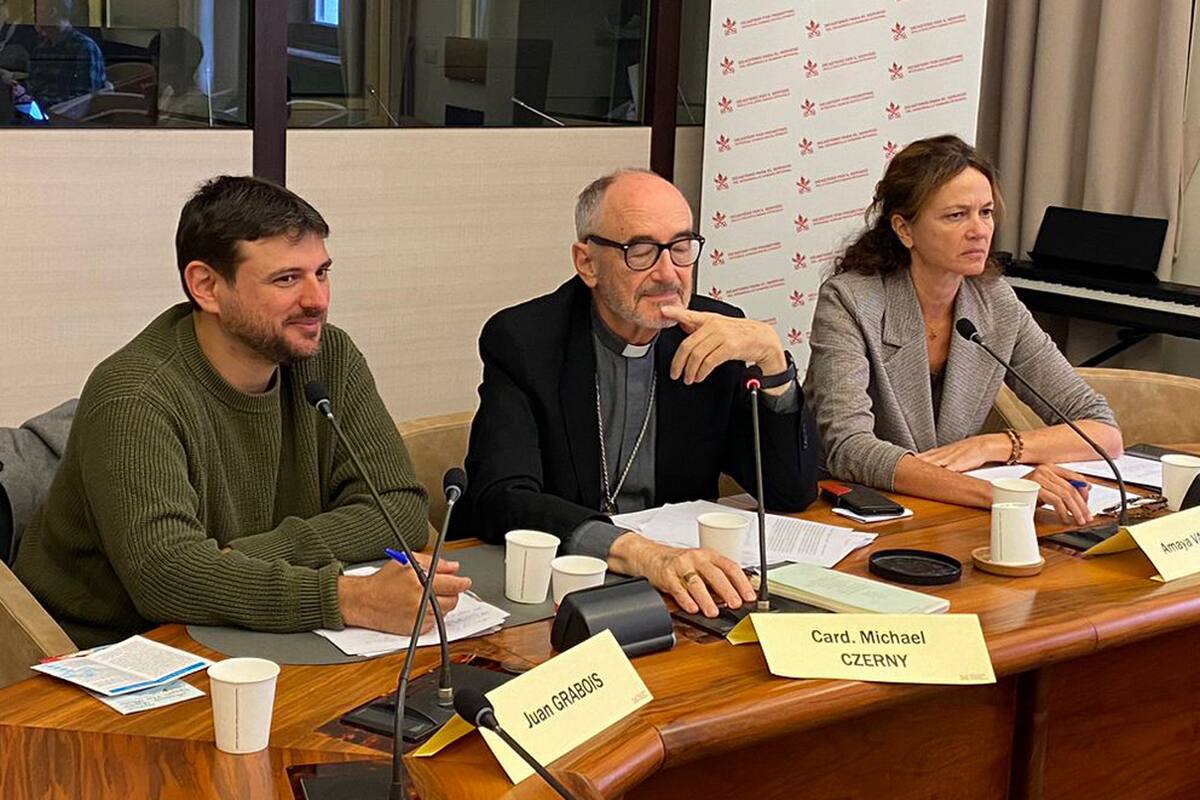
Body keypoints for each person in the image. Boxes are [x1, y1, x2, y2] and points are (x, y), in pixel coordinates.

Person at [14, 176, 470, 648]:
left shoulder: (327, 357)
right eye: (287, 279)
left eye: (322, 272)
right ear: (207, 286)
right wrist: (347, 597)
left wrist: (244, 558)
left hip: (257, 632)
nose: (317, 300)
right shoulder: (134, 395)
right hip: (116, 652)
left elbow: (398, 508)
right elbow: (165, 575)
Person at [452, 168, 819, 618]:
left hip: (685, 594)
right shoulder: (525, 340)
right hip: (557, 593)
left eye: (681, 248)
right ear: (587, 262)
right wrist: (639, 553)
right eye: (641, 251)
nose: (668, 274)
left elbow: (790, 491)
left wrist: (773, 364)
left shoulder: (712, 334)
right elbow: (502, 497)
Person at [805, 135, 1122, 524]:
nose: (979, 231)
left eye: (985, 212)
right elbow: (849, 448)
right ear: (904, 230)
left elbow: (1102, 431)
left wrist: (994, 445)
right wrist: (1002, 493)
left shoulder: (995, 302)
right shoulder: (850, 300)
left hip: (948, 512)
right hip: (850, 515)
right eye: (957, 215)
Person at [26, 0, 105, 110]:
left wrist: (41, 105)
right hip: (37, 112)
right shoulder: (41, 49)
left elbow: (85, 101)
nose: (32, 12)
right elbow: (33, 86)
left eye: (36, 9)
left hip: (65, 120)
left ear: (52, 12)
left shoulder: (84, 48)